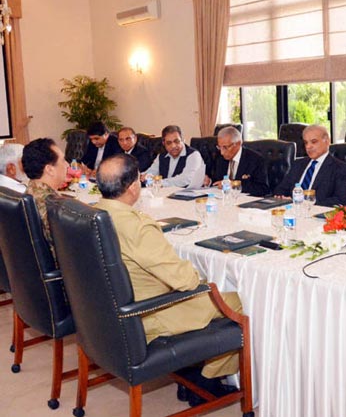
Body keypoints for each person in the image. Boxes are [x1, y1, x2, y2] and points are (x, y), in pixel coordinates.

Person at [95, 154, 240, 401]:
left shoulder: (93, 214)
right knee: (235, 301)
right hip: (148, 313)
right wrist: (201, 276)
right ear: (133, 187)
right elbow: (185, 281)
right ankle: (207, 381)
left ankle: (190, 370)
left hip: (109, 312)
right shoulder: (135, 225)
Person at [273, 124, 346, 207]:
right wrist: (282, 197)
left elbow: (342, 200)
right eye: (306, 143)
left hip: (317, 214)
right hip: (292, 211)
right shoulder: (297, 164)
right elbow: (280, 189)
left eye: (314, 142)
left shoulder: (340, 168)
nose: (308, 146)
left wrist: (307, 203)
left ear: (327, 141)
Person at [22, 138, 70, 260]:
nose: (67, 165)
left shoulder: (28, 193)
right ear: (50, 169)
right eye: (63, 160)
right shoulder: (54, 206)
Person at [209, 126, 269, 196]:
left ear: (238, 144)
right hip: (223, 198)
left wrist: (234, 184)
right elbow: (217, 180)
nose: (222, 152)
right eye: (219, 147)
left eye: (225, 147)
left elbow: (263, 189)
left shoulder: (255, 160)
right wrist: (209, 182)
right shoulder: (220, 158)